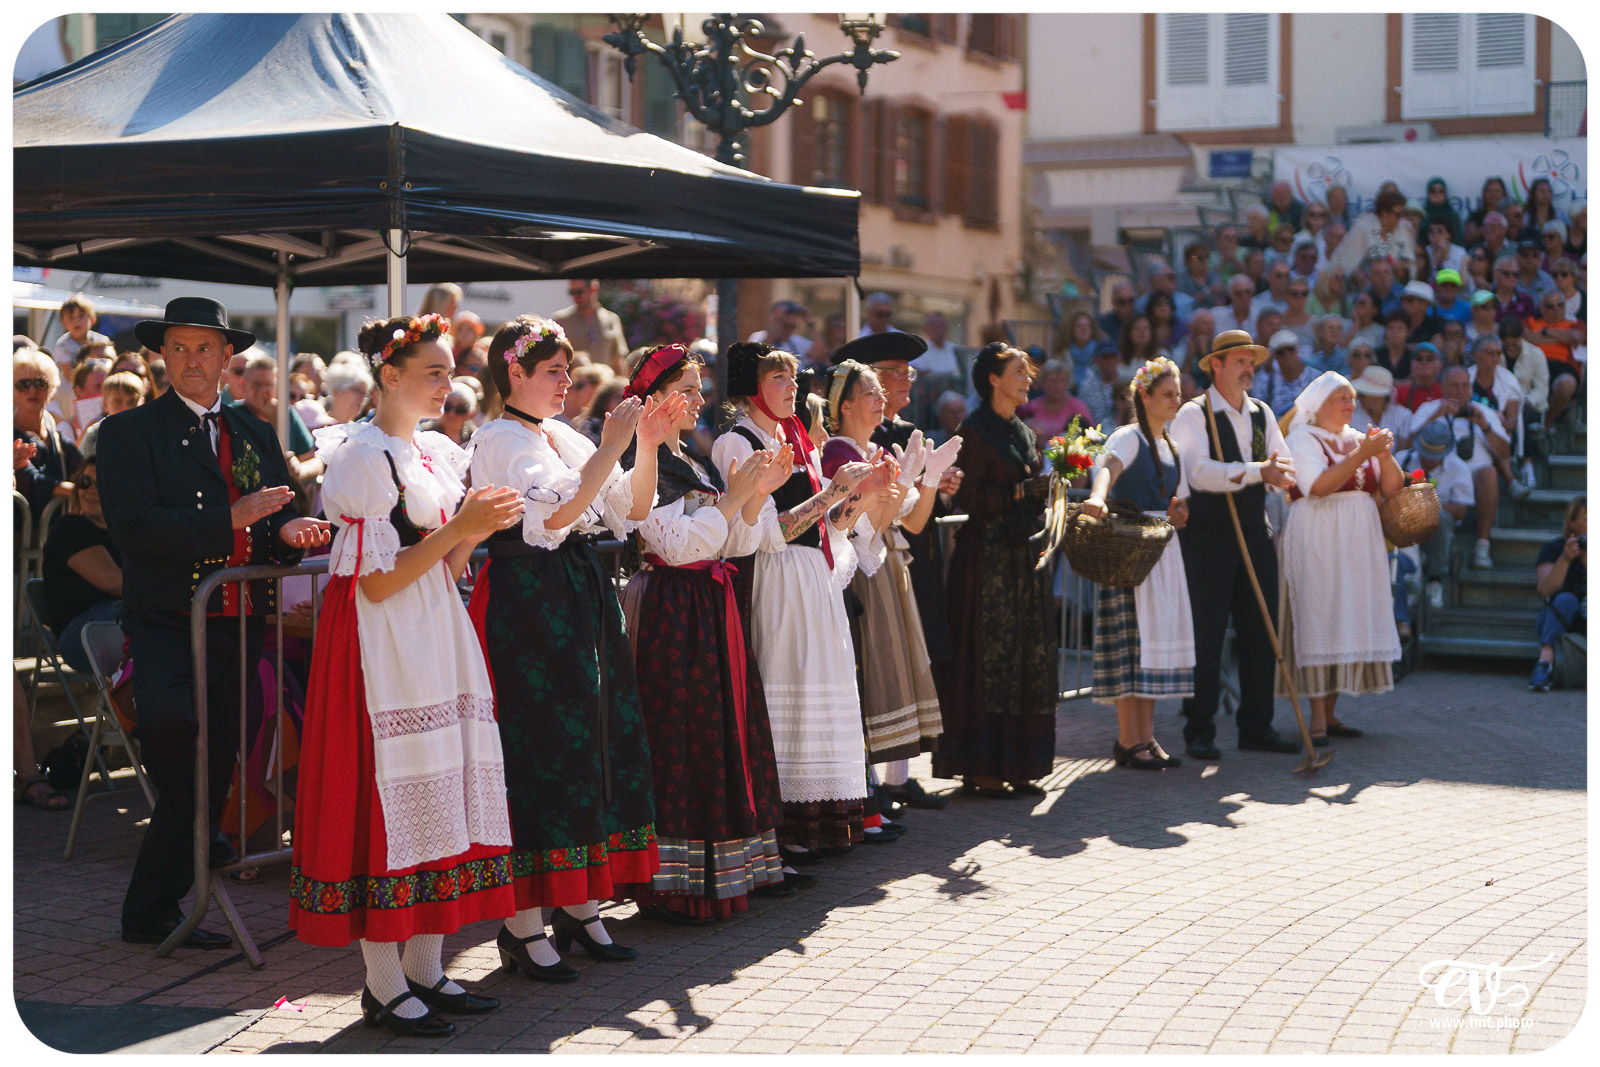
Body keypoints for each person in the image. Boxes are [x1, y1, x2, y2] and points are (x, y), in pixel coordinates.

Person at [288, 312, 520, 1036]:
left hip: (433, 631)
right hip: (381, 645)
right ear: (389, 376)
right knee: (387, 801)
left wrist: (469, 535)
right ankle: (382, 983)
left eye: (450, 371)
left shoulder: (432, 453)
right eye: (434, 371)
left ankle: (427, 966)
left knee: (444, 781)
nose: (447, 384)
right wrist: (458, 531)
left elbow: (442, 565)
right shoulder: (360, 457)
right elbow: (376, 585)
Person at [97, 297, 330, 950]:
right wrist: (227, 519)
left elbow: (273, 520)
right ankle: (205, 832)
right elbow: (135, 530)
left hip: (240, 624)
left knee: (221, 754)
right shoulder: (127, 433)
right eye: (179, 347)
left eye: (205, 348)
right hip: (170, 620)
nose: (192, 360)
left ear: (228, 358)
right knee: (173, 726)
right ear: (161, 355)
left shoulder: (255, 431)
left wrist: (288, 531)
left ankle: (149, 906)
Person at [466, 315, 680, 976]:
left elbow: (631, 508)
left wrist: (642, 443)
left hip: (575, 592)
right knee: (540, 748)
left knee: (591, 742)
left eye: (566, 369)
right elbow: (555, 516)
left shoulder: (558, 432)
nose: (565, 381)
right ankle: (524, 920)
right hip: (527, 601)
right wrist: (611, 447)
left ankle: (582, 902)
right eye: (552, 370)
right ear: (515, 373)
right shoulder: (500, 437)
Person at [617, 344, 792, 921]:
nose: (698, 400)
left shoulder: (690, 461)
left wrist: (755, 496)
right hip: (672, 609)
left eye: (698, 389)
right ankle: (671, 882)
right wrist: (739, 496)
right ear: (656, 398)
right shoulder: (648, 465)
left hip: (707, 606)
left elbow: (731, 543)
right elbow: (675, 544)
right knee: (680, 733)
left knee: (714, 731)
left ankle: (718, 872)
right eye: (687, 390)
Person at [711, 341, 892, 855]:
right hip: (774, 579)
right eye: (779, 379)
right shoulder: (738, 443)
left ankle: (816, 825)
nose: (793, 389)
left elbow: (827, 527)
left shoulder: (799, 440)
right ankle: (780, 833)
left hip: (811, 579)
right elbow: (773, 534)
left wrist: (861, 496)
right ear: (752, 389)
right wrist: (834, 491)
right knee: (783, 690)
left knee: (818, 693)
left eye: (794, 380)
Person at [933, 343, 1058, 796]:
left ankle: (1021, 763)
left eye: (1028, 372)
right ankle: (980, 766)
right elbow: (969, 498)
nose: (1027, 379)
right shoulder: (974, 431)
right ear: (993, 379)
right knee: (987, 659)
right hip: (986, 564)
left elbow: (1027, 485)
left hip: (1022, 559)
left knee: (1025, 655)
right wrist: (1022, 493)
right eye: (1018, 372)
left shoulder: (1022, 431)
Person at [1169, 331, 1301, 759]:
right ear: (1217, 366)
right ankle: (1200, 729)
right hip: (1209, 534)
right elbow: (1198, 472)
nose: (1249, 368)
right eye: (1240, 361)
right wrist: (1258, 471)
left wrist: (1280, 475)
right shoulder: (1194, 413)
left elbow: (1281, 463)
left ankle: (1256, 726)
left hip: (1253, 527)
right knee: (1206, 635)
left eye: (1252, 362)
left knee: (1261, 631)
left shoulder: (1261, 412)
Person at [855, 333, 966, 811]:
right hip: (876, 552)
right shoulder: (864, 437)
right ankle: (876, 777)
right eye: (894, 370)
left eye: (908, 372)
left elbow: (920, 502)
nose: (905, 380)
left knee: (910, 656)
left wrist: (940, 487)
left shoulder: (907, 429)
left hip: (913, 551)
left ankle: (899, 775)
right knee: (880, 655)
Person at [1278, 373, 1404, 743]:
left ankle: (1331, 715)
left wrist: (1384, 455)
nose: (1350, 403)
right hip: (1319, 533)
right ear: (1319, 404)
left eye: (1351, 397)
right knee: (1320, 614)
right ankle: (1317, 719)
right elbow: (1317, 487)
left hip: (1358, 538)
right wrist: (1362, 454)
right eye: (1341, 398)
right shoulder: (1301, 438)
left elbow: (1392, 488)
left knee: (1345, 614)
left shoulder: (1356, 440)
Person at [1081, 357, 1193, 769]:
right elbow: (1107, 469)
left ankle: (1145, 736)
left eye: (1178, 394)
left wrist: (1176, 514)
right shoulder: (1129, 437)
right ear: (1143, 396)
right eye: (1167, 394)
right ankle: (1128, 740)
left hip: (1159, 548)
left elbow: (1168, 498)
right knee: (1132, 643)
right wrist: (1096, 496)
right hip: (1128, 549)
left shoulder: (1170, 445)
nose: (1176, 400)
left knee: (1150, 644)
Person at [1410, 365, 1511, 569]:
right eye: (1454, 386)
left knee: (1489, 473)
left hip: (1475, 478)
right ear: (1443, 387)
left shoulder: (1484, 412)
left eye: (1465, 385)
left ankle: (1482, 544)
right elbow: (1409, 444)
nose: (1460, 391)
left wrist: (1485, 427)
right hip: (1439, 475)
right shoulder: (1429, 409)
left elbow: (1506, 453)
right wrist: (1438, 414)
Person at [40, 457, 122, 672]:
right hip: (81, 633)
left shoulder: (125, 535)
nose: (91, 490)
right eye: (85, 482)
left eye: (101, 483)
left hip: (116, 621)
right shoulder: (69, 528)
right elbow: (111, 581)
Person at [1395, 420, 1475, 612]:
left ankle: (1435, 579)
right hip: (1402, 519)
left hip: (1437, 525)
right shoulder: (1401, 459)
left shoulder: (1459, 468)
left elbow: (1461, 510)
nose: (1429, 459)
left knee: (1438, 516)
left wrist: (1428, 504)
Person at [14, 347, 81, 519]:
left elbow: (84, 471)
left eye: (40, 383)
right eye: (23, 385)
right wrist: (75, 490)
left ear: (51, 390)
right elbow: (33, 481)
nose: (32, 390)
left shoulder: (58, 441)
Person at [1528, 497, 1586, 692]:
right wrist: (1565, 559)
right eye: (1589, 520)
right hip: (1559, 617)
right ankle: (1545, 663)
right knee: (1565, 599)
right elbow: (1545, 590)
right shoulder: (1553, 549)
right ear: (1572, 522)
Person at [1523, 291, 1584, 433]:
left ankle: (1545, 425)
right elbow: (1526, 337)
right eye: (1550, 306)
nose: (1556, 309)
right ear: (1542, 308)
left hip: (1562, 366)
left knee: (1567, 384)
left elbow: (1576, 338)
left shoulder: (1575, 323)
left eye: (1560, 305)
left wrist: (1546, 332)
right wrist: (1562, 338)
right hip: (1534, 365)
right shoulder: (1530, 321)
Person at [552, 280, 629, 373]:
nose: (576, 296)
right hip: (575, 384)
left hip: (605, 382)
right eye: (572, 292)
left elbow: (618, 359)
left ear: (594, 288)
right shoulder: (561, 320)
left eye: (579, 292)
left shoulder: (611, 319)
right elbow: (554, 358)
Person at [1018, 359, 1092, 449]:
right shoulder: (1030, 407)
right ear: (1043, 383)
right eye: (1053, 381)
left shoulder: (1078, 407)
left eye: (1062, 381)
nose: (1058, 385)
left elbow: (1090, 438)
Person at [77, 370, 146, 459]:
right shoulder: (94, 436)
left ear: (142, 403)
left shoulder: (149, 433)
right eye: (118, 401)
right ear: (105, 405)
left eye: (132, 401)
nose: (126, 407)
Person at [1254, 330, 1316, 418]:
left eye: (1290, 349)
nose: (1286, 355)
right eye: (1280, 352)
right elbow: (1258, 412)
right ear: (1274, 355)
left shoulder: (1316, 378)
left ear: (1297, 349)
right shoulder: (1267, 383)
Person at [418, 380, 479, 445]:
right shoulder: (424, 434)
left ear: (470, 414)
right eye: (447, 407)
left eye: (460, 410)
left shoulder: (476, 439)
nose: (451, 414)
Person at [747, 299, 813, 359]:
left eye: (792, 327)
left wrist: (810, 322)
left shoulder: (797, 341)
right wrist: (776, 321)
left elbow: (821, 354)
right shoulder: (759, 336)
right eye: (786, 326)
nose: (788, 331)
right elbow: (757, 356)